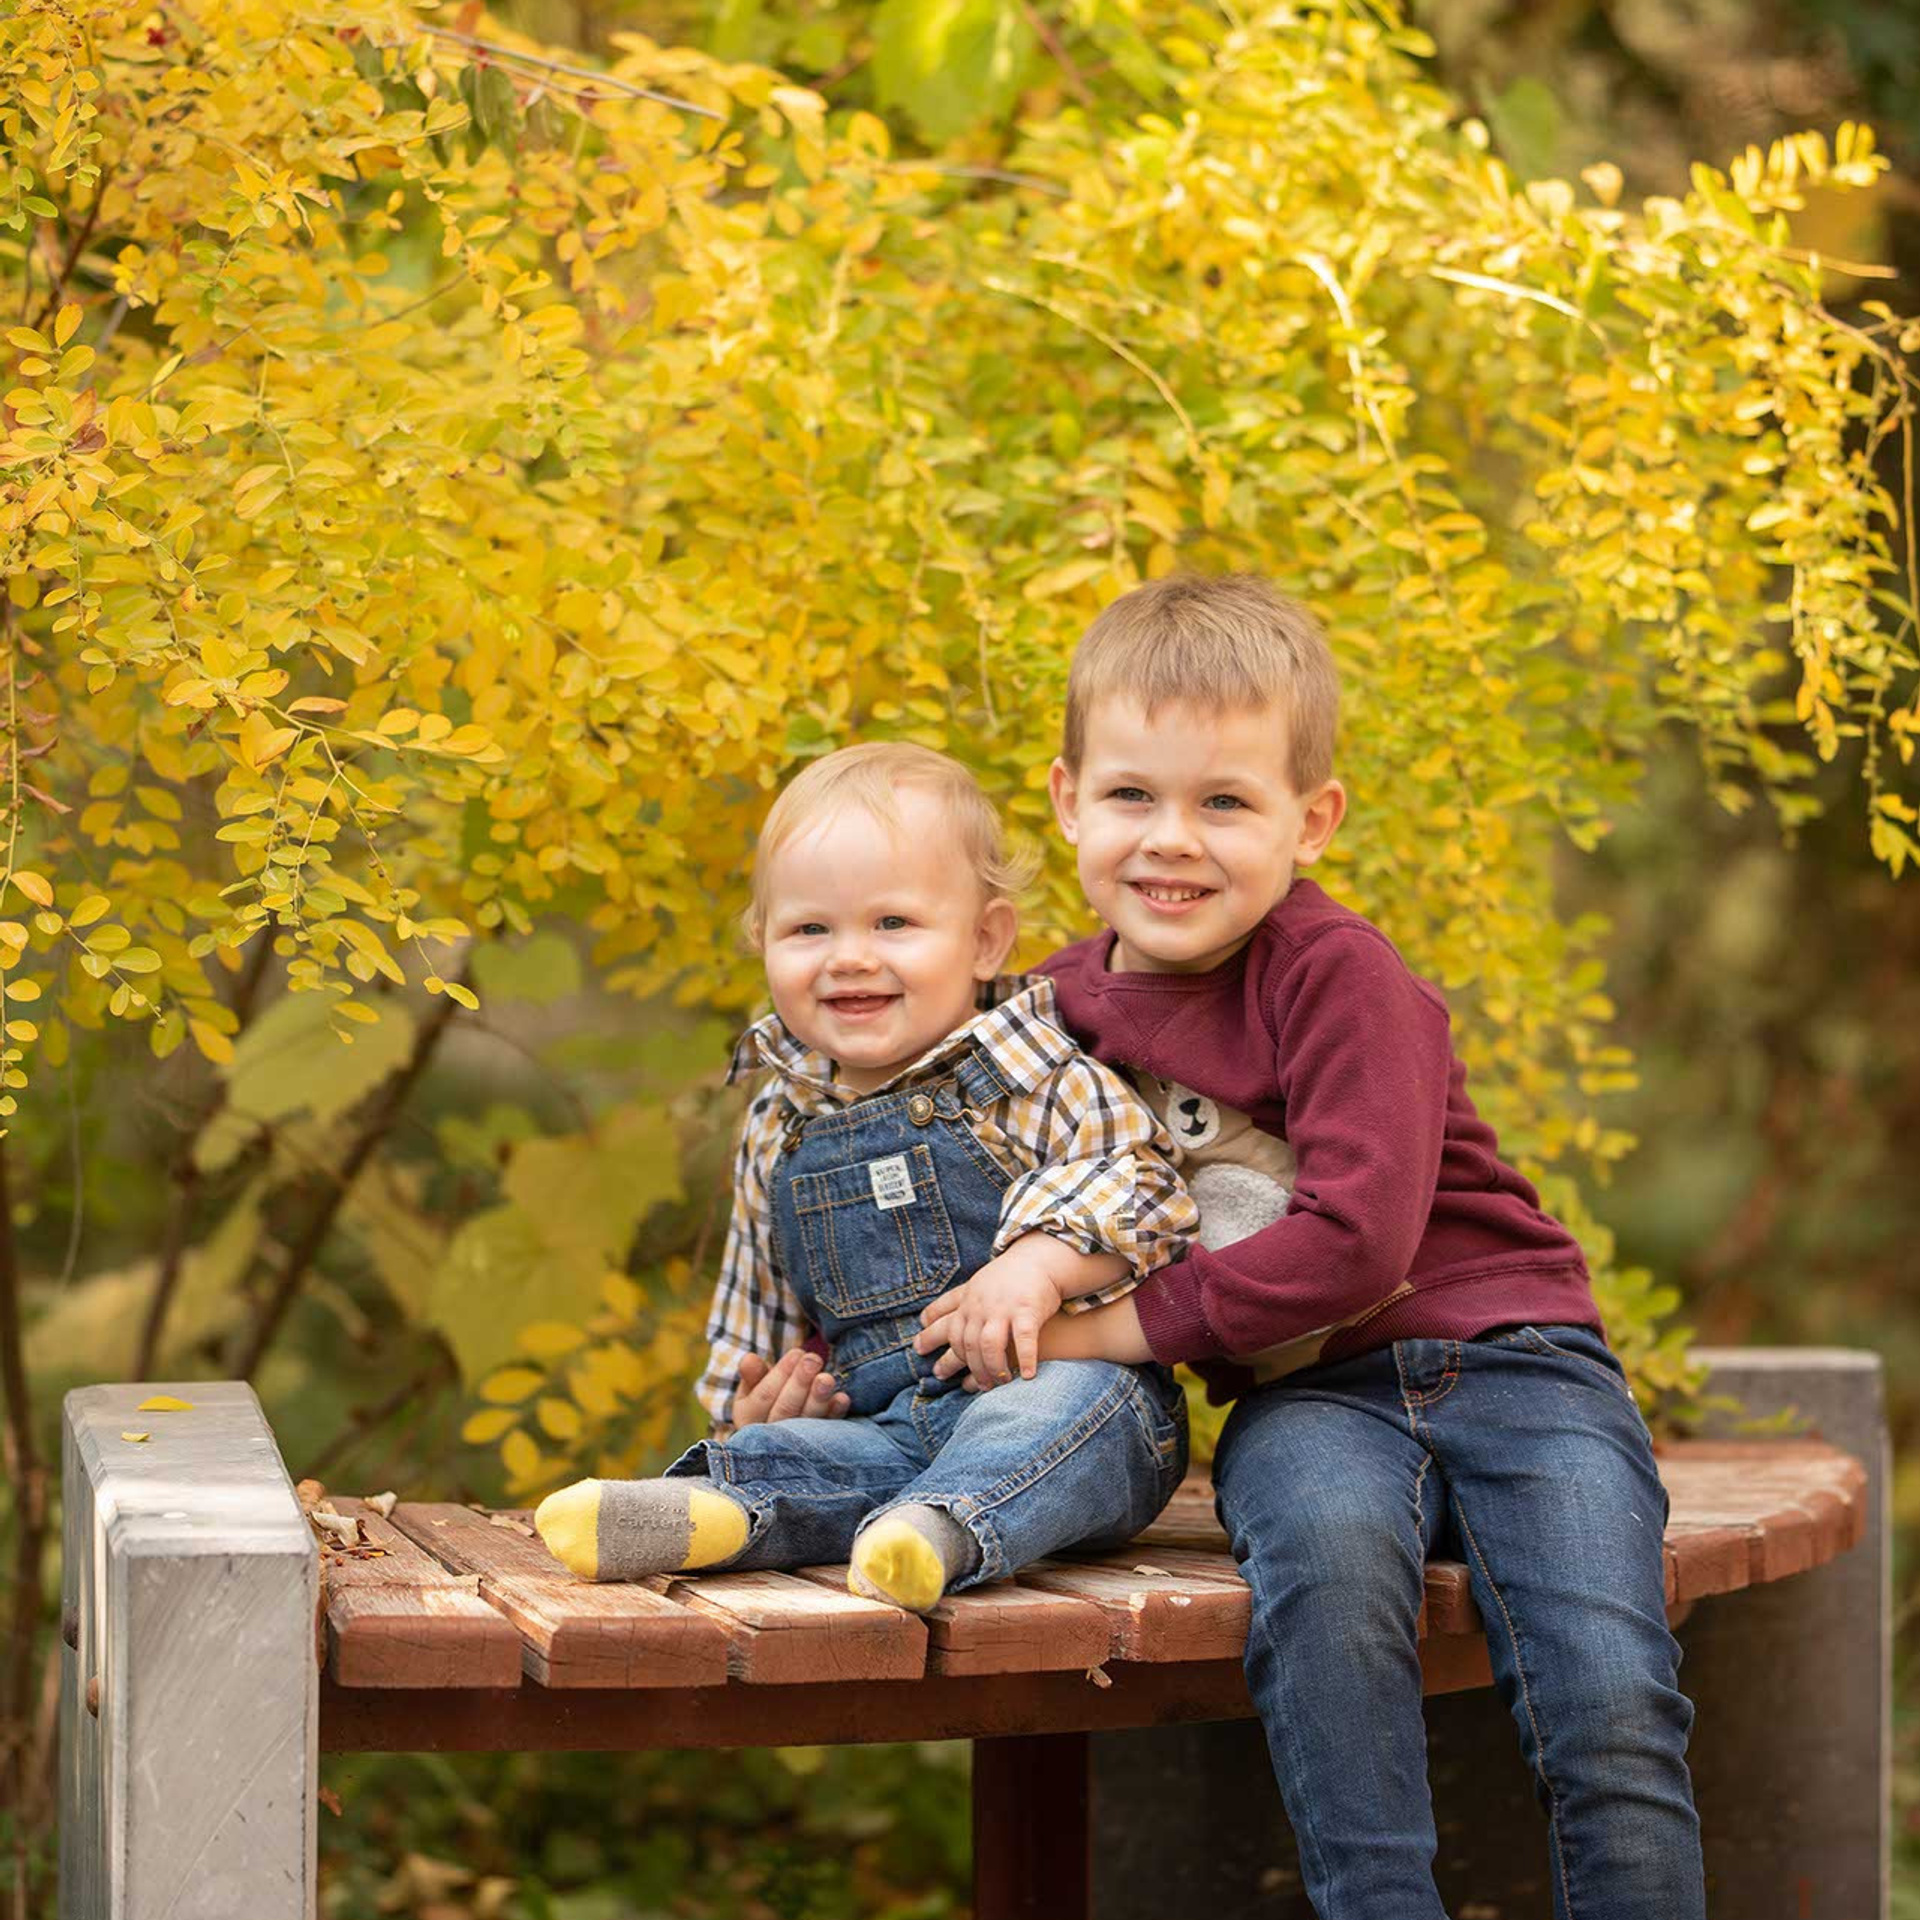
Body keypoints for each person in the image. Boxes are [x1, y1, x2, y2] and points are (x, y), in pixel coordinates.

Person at [916, 574, 1706, 1920]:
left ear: (1311, 819)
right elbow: (932, 1183)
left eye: (1225, 802)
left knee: (1606, 1694)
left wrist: (1102, 1328)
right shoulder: (1047, 1012)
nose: (1173, 842)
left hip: (1512, 1361)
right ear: (1065, 800)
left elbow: (1354, 1245)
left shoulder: (1341, 976)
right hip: (1309, 1403)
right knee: (1328, 1618)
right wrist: (819, 1354)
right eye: (1132, 796)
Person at [534, 741, 1197, 1614]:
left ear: (985, 938)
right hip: (883, 1430)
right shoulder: (781, 1119)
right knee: (809, 1458)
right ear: (764, 942)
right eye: (811, 929)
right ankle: (714, 1510)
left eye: (893, 924)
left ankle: (943, 1527)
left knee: (1073, 1409)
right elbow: (755, 1302)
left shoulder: (1028, 1071)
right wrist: (758, 1405)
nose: (848, 957)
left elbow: (1155, 1197)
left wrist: (1040, 1263)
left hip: (1064, 1406)